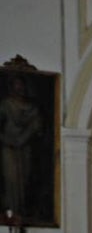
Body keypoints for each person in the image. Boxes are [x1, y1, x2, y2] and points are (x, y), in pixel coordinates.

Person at [0, 73, 42, 218]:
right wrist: (5, 139)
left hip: (25, 147)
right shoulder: (5, 104)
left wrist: (31, 132)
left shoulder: (32, 108)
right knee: (11, 178)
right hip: (9, 146)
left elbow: (38, 129)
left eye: (21, 84)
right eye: (16, 84)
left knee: (24, 178)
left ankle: (21, 210)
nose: (19, 88)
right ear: (12, 87)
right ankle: (11, 210)